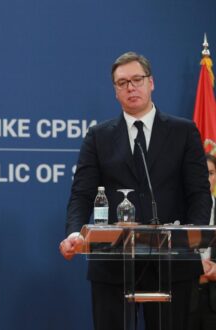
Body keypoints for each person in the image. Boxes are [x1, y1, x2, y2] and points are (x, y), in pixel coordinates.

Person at [58, 52, 212, 329]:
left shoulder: (184, 132)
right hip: (113, 265)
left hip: (172, 264)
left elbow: (200, 193)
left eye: (137, 79)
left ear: (151, 83)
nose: (131, 87)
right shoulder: (98, 137)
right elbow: (82, 194)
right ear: (115, 91)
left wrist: (193, 239)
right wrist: (74, 232)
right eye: (122, 83)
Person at [189, 153, 216, 329]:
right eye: (202, 173)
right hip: (186, 297)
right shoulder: (180, 211)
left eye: (211, 173)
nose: (207, 178)